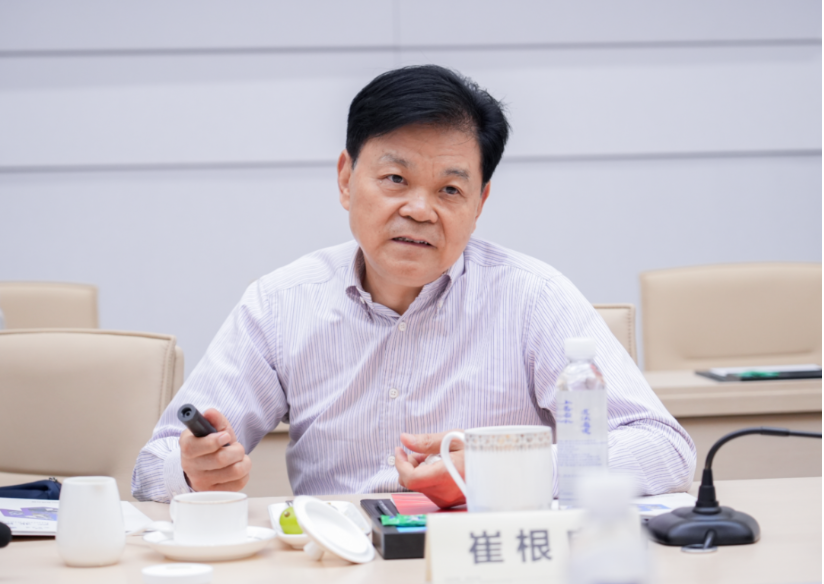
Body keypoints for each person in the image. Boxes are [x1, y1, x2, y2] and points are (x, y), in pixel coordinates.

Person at [132, 65, 696, 505]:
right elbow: (154, 466)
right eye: (396, 179)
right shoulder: (280, 304)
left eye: (450, 190)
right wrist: (193, 468)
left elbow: (662, 448)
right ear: (347, 179)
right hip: (341, 559)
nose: (420, 210)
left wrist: (500, 469)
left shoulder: (534, 297)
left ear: (480, 202)